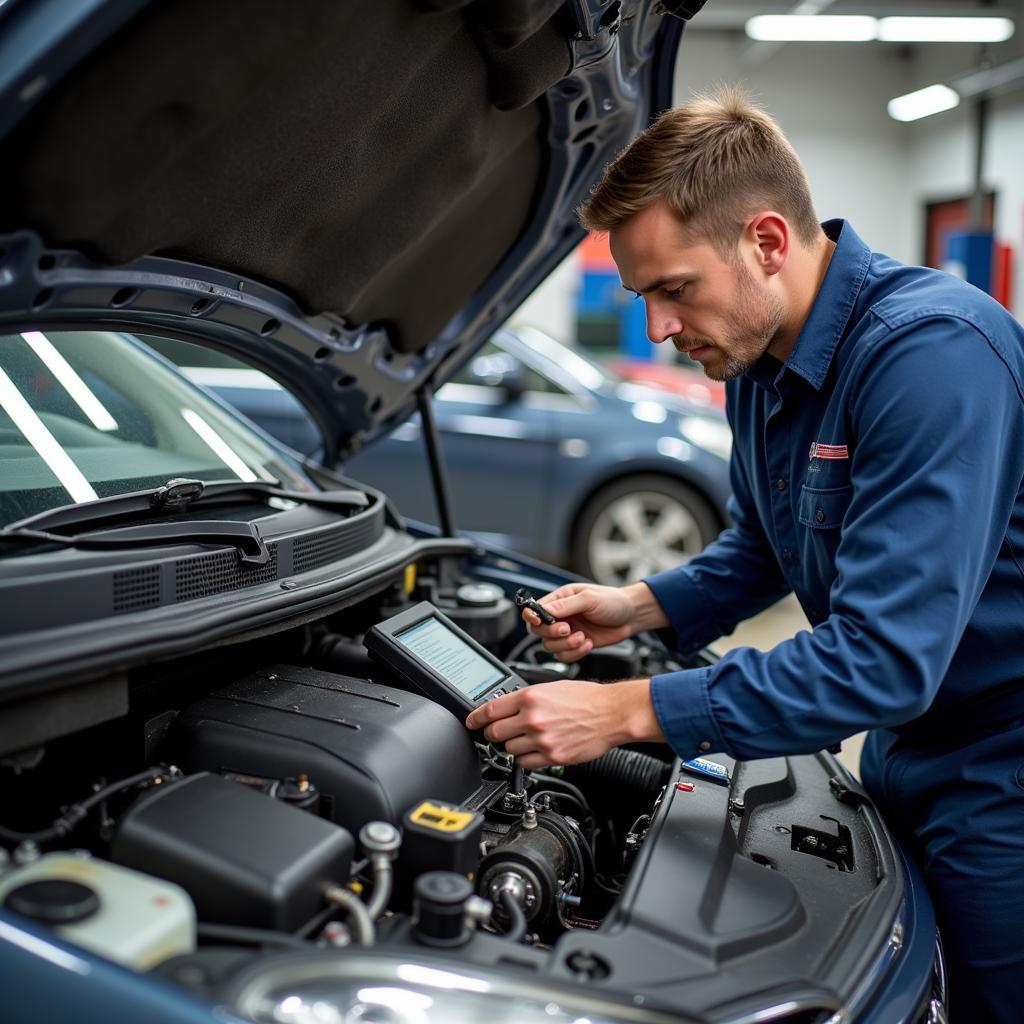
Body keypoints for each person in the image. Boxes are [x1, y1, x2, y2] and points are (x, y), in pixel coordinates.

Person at [466, 86, 1024, 1018]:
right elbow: (764, 548)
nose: (657, 329)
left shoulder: (934, 357)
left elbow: (884, 661)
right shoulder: (757, 366)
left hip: (1003, 768)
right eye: (643, 295)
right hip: (902, 747)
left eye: (674, 289)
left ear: (767, 241)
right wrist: (637, 607)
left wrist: (626, 711)